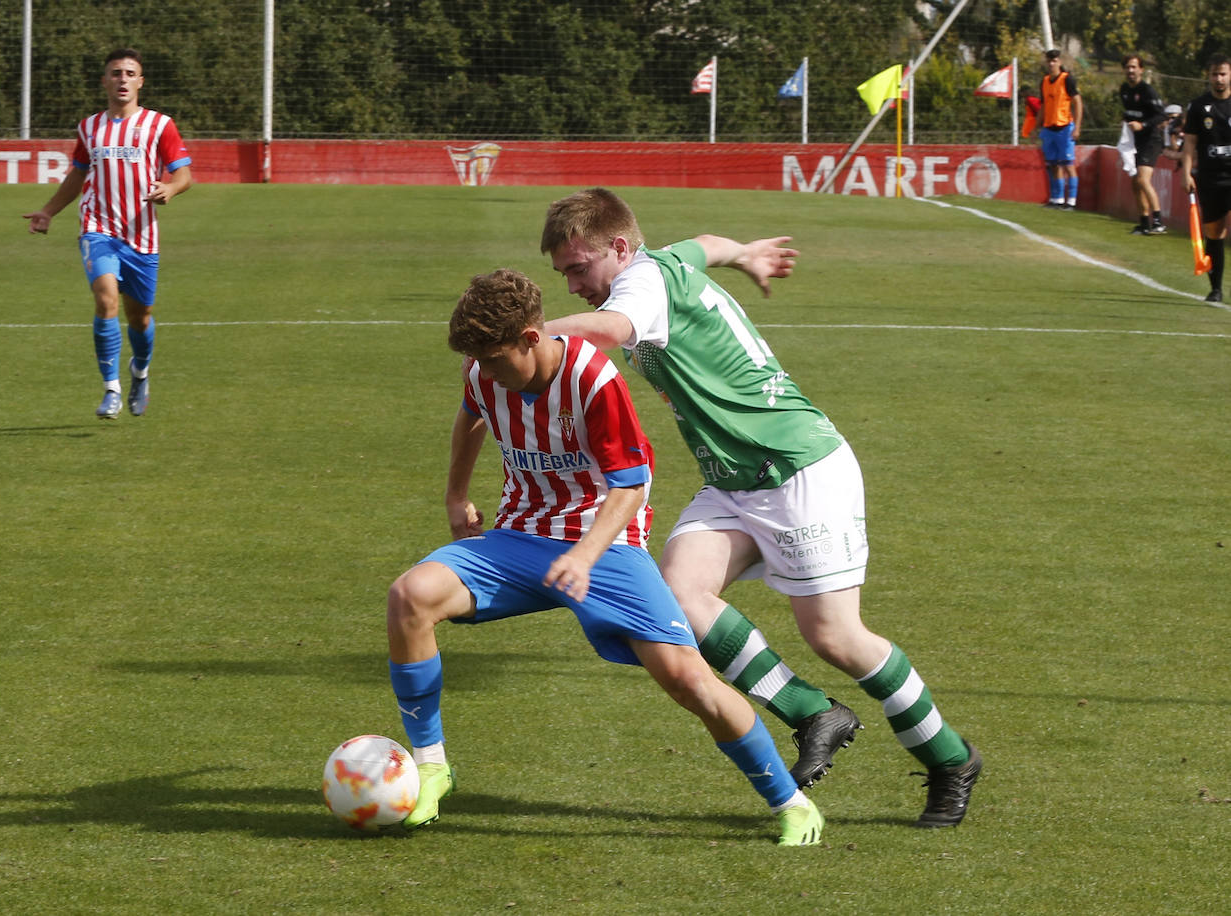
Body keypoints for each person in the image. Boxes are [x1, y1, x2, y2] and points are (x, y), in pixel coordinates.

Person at [538, 188, 982, 828]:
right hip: (734, 479)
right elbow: (708, 245)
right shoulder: (661, 262)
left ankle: (950, 760)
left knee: (836, 637)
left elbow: (610, 330)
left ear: (619, 248)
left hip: (797, 469)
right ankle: (812, 712)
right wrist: (745, 254)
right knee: (680, 598)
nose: (576, 284)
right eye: (564, 275)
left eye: (580, 268)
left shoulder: (639, 287)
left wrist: (530, 332)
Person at [386, 268, 824, 845]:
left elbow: (629, 486)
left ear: (530, 337)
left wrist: (585, 556)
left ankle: (791, 803)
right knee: (409, 597)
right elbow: (470, 414)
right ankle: (432, 766)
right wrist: (456, 495)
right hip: (518, 536)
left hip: (606, 541)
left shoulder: (593, 380)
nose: (485, 372)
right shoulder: (482, 370)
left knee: (686, 680)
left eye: (495, 360)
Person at [23, 48, 193, 418]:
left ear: (140, 81)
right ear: (105, 81)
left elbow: (183, 175)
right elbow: (78, 173)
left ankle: (140, 372)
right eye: (116, 73)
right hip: (97, 228)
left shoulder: (160, 125)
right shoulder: (89, 127)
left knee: (140, 316)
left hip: (141, 234)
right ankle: (111, 389)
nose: (123, 79)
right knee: (105, 301)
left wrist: (171, 188)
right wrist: (49, 210)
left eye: (130, 73)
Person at [1182, 55, 1231, 303]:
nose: (1218, 79)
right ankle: (1216, 289)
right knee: (1215, 232)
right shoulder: (1199, 107)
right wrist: (1186, 172)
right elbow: (1190, 142)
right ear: (1208, 75)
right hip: (1211, 177)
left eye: (1222, 73)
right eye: (1214, 74)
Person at [1119, 55, 1168, 234]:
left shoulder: (1147, 91)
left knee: (1142, 179)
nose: (1130, 71)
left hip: (1151, 140)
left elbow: (1161, 115)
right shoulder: (1124, 89)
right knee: (1135, 182)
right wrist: (1125, 121)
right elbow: (1131, 113)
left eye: (1134, 67)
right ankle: (1144, 223)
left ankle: (1158, 221)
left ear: (1141, 70)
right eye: (1127, 67)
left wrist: (1143, 125)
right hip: (1134, 142)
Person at [1039, 49, 1083, 209]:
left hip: (1064, 127)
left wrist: (1077, 127)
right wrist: (1036, 126)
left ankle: (1071, 201)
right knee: (1052, 164)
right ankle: (1056, 199)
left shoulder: (1067, 79)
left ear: (1060, 62)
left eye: (1054, 60)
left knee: (1068, 164)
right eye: (1049, 61)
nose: (1051, 64)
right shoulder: (1044, 81)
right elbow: (1043, 106)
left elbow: (1077, 102)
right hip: (1049, 128)